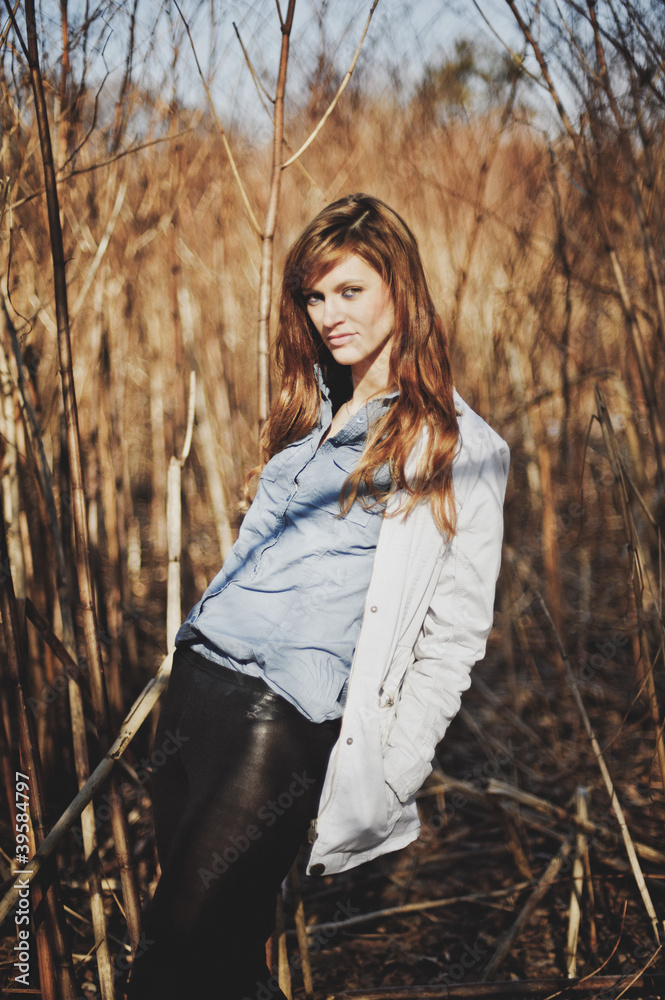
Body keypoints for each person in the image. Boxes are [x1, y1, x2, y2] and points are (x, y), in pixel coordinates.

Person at [126, 193, 509, 1000]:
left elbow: (455, 635)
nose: (327, 314)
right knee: (224, 956)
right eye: (313, 294)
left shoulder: (459, 447)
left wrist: (396, 768)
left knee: (173, 943)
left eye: (349, 291)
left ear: (399, 290)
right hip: (198, 687)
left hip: (281, 716)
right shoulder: (311, 414)